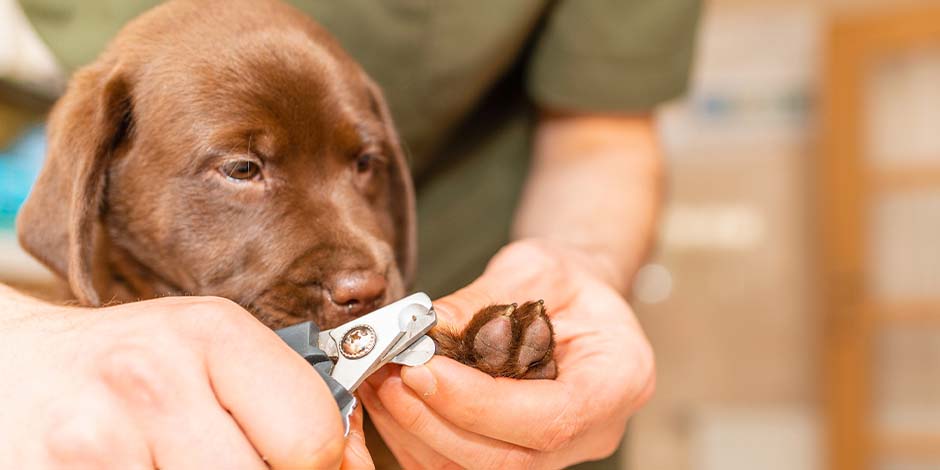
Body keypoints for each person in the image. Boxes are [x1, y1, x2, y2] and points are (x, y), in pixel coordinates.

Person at [8, 0, 701, 468]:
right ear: (93, 177)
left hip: (456, 414)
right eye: (244, 168)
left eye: (363, 163)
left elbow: (601, 133)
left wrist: (576, 268)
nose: (359, 270)